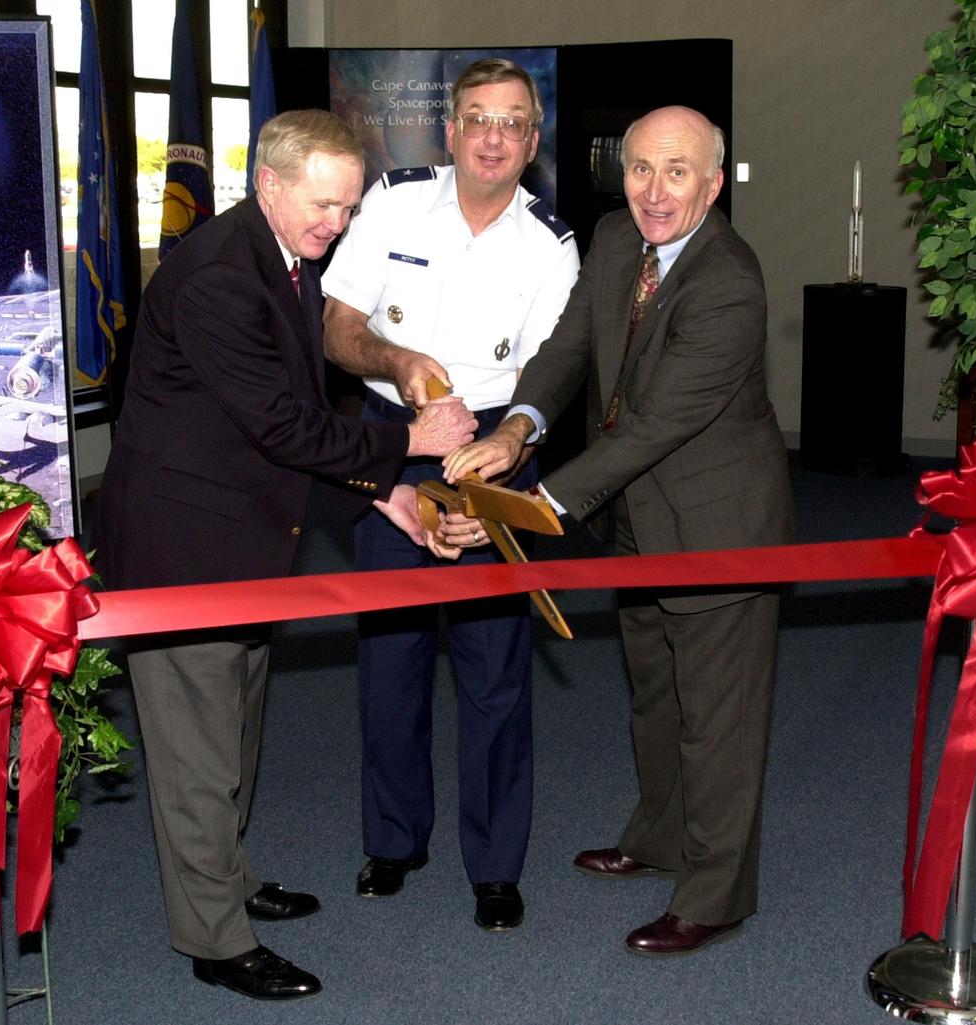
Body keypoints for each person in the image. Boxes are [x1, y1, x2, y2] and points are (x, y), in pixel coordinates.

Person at [94, 110, 476, 1002]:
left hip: (247, 538)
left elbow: (286, 417)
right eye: (324, 203)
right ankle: (216, 937)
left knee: (235, 729)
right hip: (183, 550)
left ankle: (225, 877)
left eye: (348, 206)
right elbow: (279, 422)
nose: (337, 223)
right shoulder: (223, 276)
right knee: (198, 753)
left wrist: (384, 493)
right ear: (269, 183)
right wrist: (407, 445)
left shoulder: (282, 255)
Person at [443, 106, 795, 956]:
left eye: (677, 172)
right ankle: (661, 836)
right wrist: (516, 426)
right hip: (637, 515)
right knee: (655, 694)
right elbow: (568, 348)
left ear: (712, 184)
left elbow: (654, 426)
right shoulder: (611, 240)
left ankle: (715, 892)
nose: (655, 190)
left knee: (717, 716)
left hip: (719, 524)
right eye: (641, 168)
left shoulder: (730, 282)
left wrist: (539, 506)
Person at [321, 58, 580, 932]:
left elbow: (551, 374)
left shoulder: (553, 245)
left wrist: (497, 463)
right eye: (477, 118)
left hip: (499, 451)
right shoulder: (392, 203)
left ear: (533, 141)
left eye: (513, 122)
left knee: (495, 669)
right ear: (449, 131)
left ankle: (496, 865)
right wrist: (397, 364)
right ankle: (393, 841)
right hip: (392, 441)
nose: (494, 137)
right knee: (389, 666)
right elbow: (339, 328)